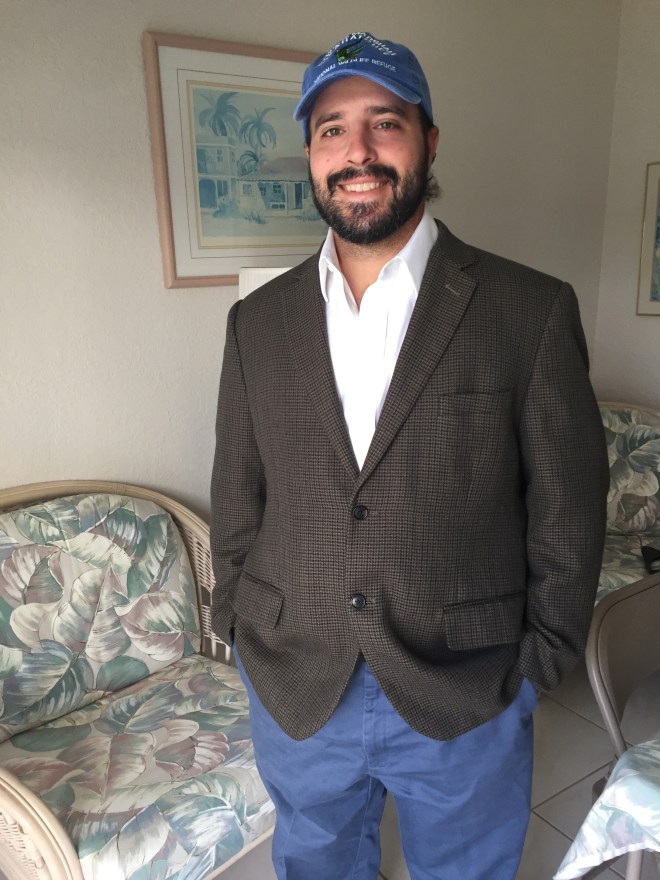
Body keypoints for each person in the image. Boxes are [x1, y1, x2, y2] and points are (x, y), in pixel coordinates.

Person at [210, 31, 609, 880]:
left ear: (427, 141)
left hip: (467, 686)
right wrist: (237, 627)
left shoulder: (528, 310)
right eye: (331, 129)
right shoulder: (258, 323)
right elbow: (239, 497)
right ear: (311, 155)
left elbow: (568, 508)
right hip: (295, 681)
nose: (356, 151)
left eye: (383, 122)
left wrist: (541, 662)